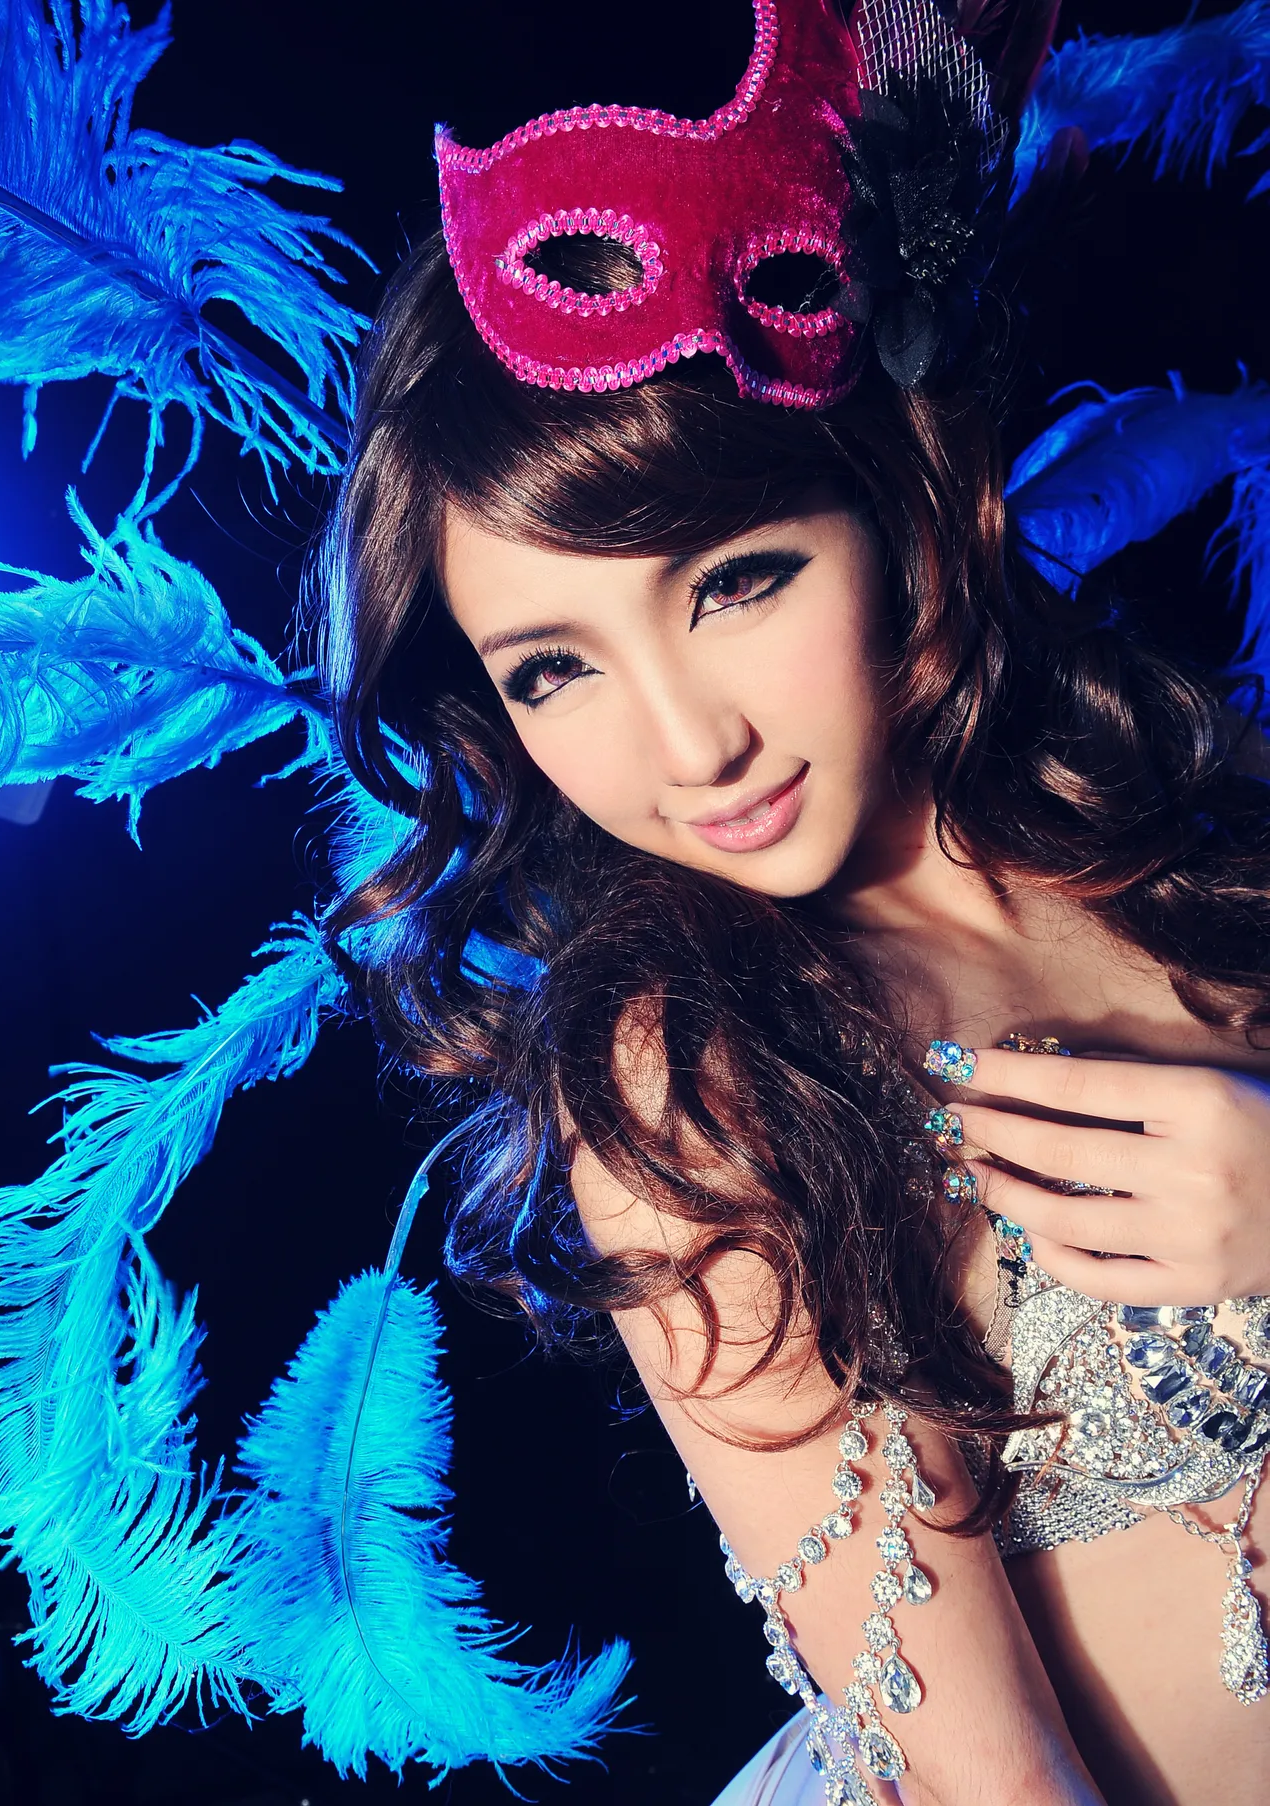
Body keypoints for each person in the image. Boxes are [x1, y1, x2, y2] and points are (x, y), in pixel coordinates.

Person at [308, 7, 1270, 1801]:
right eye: (552, 669)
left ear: (895, 504)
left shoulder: (1186, 839)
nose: (692, 744)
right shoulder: (690, 1086)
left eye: (735, 581)